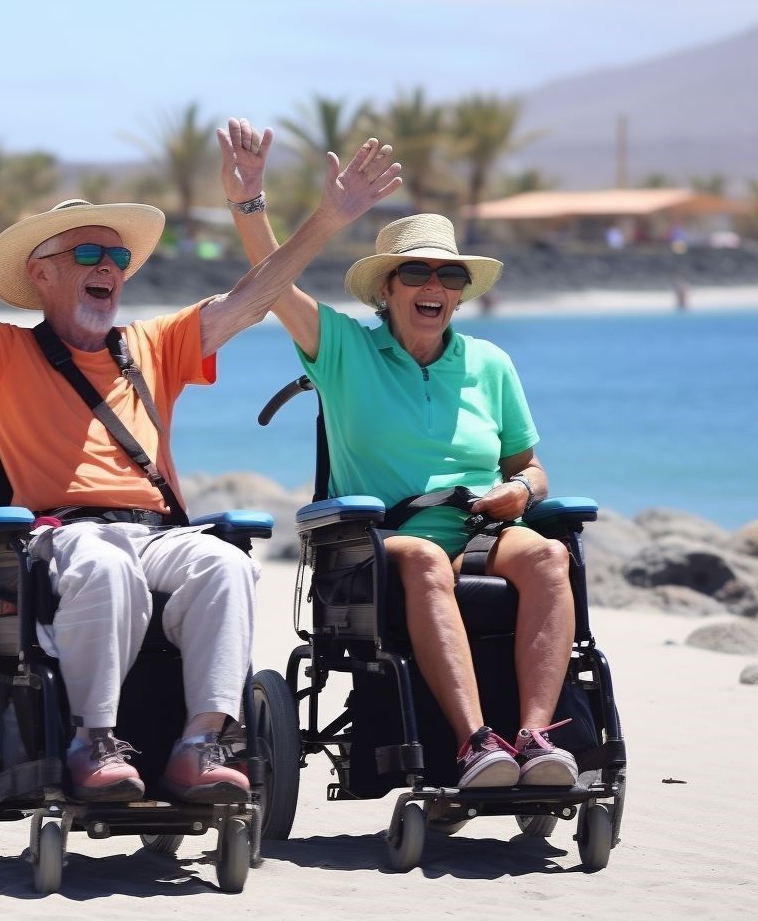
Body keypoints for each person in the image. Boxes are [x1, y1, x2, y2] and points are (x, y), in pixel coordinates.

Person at [0, 102, 401, 804]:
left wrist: (328, 219)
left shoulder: (152, 345)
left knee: (224, 563)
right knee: (102, 564)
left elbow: (255, 297)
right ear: (42, 273)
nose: (109, 269)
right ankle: (93, 741)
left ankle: (199, 744)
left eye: (116, 257)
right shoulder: (2, 349)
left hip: (158, 533)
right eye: (88, 255)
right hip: (61, 535)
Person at [223, 118, 577, 789]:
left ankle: (534, 738)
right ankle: (476, 744)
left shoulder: (489, 364)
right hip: (381, 540)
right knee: (419, 555)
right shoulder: (345, 349)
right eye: (416, 271)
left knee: (550, 553)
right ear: (387, 288)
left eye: (448, 275)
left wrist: (522, 494)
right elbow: (271, 284)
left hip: (479, 532)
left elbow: (530, 465)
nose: (434, 283)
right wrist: (250, 203)